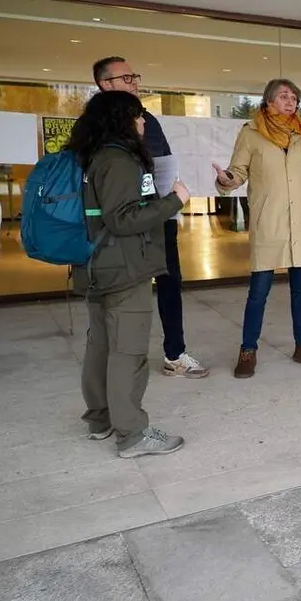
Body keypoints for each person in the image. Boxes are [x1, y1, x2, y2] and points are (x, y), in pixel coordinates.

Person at [70, 91, 189, 458]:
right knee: (128, 351)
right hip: (123, 268)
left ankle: (100, 419)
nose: (143, 123)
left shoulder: (92, 156)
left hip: (96, 265)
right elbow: (122, 220)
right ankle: (133, 434)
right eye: (138, 116)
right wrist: (174, 201)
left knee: (101, 345)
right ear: (122, 119)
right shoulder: (120, 161)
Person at [92, 57, 209, 380]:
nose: (134, 82)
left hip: (156, 217)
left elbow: (160, 164)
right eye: (125, 77)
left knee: (170, 281)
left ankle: (175, 353)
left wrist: (169, 203)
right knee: (121, 295)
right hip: (115, 226)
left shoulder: (148, 120)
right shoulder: (93, 127)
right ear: (105, 84)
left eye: (135, 76)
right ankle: (117, 364)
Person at [214, 79, 301, 378]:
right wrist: (227, 180)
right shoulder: (251, 134)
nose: (290, 101)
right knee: (259, 291)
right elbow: (238, 171)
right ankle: (248, 350)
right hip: (270, 223)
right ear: (269, 102)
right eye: (283, 96)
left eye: (294, 97)